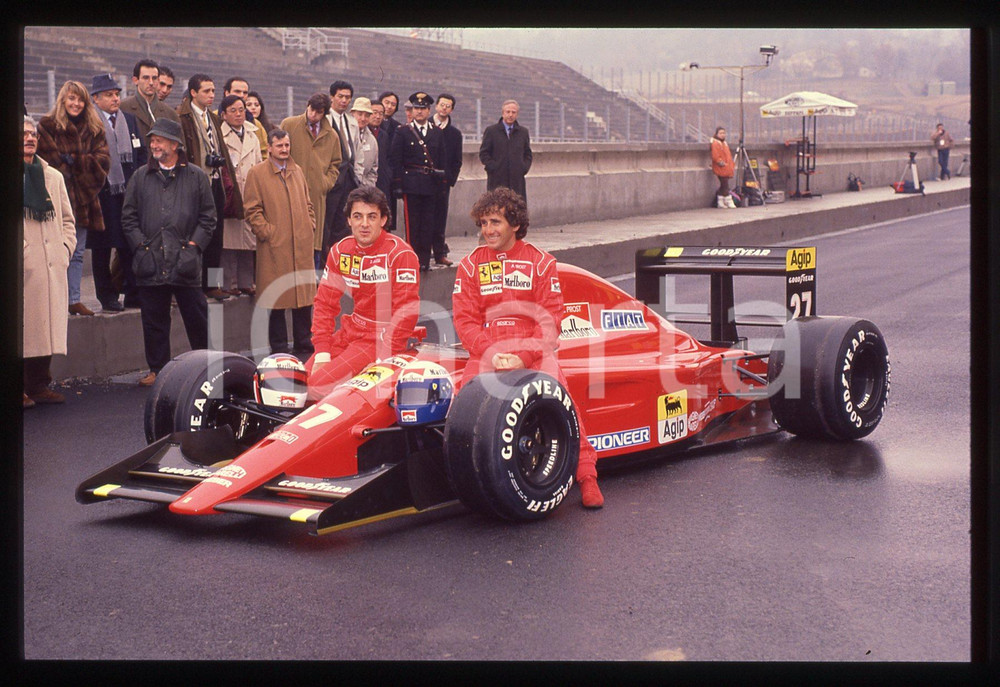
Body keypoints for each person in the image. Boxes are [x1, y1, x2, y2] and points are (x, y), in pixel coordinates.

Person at [451, 187, 603, 509]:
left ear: (515, 224)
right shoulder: (468, 266)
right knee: (464, 401)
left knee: (560, 394)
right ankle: (461, 479)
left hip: (531, 345)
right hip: (486, 347)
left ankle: (586, 475)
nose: (488, 230)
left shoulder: (541, 262)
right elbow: (464, 322)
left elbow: (549, 322)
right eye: (483, 223)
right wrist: (493, 353)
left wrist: (522, 356)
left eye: (495, 222)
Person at [121, 118, 216, 387]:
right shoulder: (140, 176)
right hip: (151, 260)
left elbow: (208, 218)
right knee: (153, 320)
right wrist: (141, 246)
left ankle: (205, 367)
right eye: (152, 140)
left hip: (185, 261)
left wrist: (194, 246)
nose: (154, 145)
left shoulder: (196, 176)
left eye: (159, 140)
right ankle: (157, 369)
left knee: (198, 319)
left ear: (175, 145)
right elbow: (128, 218)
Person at [307, 185, 420, 399]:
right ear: (349, 220)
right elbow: (324, 303)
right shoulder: (341, 250)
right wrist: (322, 349)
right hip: (350, 331)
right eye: (357, 216)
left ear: (384, 219)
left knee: (316, 387)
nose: (364, 224)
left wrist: (385, 358)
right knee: (297, 382)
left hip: (379, 340)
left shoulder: (400, 254)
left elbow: (406, 312)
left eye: (372, 217)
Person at [36, 79, 111, 317]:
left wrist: (76, 161)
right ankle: (54, 300)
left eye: (80, 99)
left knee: (77, 251)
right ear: (63, 100)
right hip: (55, 199)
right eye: (71, 98)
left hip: (84, 200)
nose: (76, 103)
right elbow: (49, 162)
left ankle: (74, 299)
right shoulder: (47, 125)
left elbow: (103, 162)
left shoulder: (95, 127)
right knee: (53, 252)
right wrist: (75, 165)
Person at [243, 129, 317, 360]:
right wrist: (268, 233)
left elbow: (308, 202)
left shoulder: (298, 171)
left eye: (287, 145)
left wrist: (309, 224)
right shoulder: (257, 173)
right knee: (276, 298)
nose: (284, 149)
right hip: (276, 245)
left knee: (303, 299)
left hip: (301, 243)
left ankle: (304, 344)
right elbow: (252, 210)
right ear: (270, 148)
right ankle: (280, 348)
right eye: (279, 146)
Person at [23, 116, 77, 407]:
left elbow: (68, 220)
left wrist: (65, 249)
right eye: (23, 134)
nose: (30, 138)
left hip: (52, 262)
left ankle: (39, 385)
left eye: (33, 134)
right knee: (23, 327)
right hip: (25, 264)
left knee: (45, 326)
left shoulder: (52, 176)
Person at [177, 73, 240, 300]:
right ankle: (193, 285)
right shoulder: (182, 117)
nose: (211, 95)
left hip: (215, 181)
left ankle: (212, 284)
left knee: (216, 235)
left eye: (213, 91)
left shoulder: (212, 118)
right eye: (206, 91)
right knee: (196, 234)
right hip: (195, 183)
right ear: (193, 93)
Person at [89, 73, 147, 312]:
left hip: (128, 192)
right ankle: (107, 296)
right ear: (96, 98)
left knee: (128, 243)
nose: (114, 99)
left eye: (116, 94)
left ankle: (133, 292)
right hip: (102, 193)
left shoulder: (130, 121)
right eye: (108, 95)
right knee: (102, 247)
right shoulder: (90, 122)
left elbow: (140, 152)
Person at [280, 92, 342, 271]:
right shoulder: (290, 125)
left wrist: (325, 183)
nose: (313, 115)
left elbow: (335, 163)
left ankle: (311, 289)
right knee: (289, 240)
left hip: (316, 194)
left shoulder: (331, 136)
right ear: (307, 106)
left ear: (325, 113)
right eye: (312, 109)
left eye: (319, 112)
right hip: (289, 190)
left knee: (314, 243)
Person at [389, 91, 447, 273]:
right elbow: (395, 159)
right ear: (411, 111)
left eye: (423, 109)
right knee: (412, 224)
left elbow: (441, 159)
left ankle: (424, 261)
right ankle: (411, 259)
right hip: (411, 184)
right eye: (416, 108)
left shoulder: (436, 133)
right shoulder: (403, 132)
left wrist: (442, 184)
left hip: (431, 185)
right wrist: (398, 184)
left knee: (428, 223)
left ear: (429, 110)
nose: (419, 112)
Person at [219, 94, 262, 296]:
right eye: (233, 110)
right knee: (228, 243)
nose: (238, 114)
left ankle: (246, 282)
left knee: (248, 241)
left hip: (250, 192)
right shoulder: (220, 136)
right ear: (224, 114)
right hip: (230, 193)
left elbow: (259, 164)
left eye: (241, 110)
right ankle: (227, 284)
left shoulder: (253, 135)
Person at [323, 80, 360, 254]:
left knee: (344, 224)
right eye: (340, 96)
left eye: (347, 97)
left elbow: (355, 151)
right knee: (327, 224)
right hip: (332, 180)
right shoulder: (325, 120)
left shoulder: (351, 122)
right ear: (332, 97)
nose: (344, 101)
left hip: (349, 179)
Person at [430, 92, 462, 267]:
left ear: (451, 110)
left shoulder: (455, 134)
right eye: (442, 104)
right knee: (423, 217)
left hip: (443, 183)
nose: (444, 108)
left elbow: (457, 160)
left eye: (448, 106)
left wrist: (450, 179)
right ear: (436, 106)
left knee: (440, 217)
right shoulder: (422, 125)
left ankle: (439, 253)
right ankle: (422, 251)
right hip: (424, 180)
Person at [479, 99, 532, 203]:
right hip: (497, 180)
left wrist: (523, 168)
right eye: (508, 112)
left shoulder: (523, 132)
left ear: (517, 114)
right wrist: (493, 167)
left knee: (516, 211)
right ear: (503, 113)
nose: (510, 115)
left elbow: (527, 154)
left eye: (513, 112)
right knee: (497, 209)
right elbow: (484, 153)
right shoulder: (491, 131)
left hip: (517, 180)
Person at [119, 59, 179, 148]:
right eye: (146, 78)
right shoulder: (122, 108)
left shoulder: (170, 114)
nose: (151, 83)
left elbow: (179, 148)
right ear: (136, 80)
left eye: (154, 78)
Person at [224, 77, 267, 157]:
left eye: (245, 93)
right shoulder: (215, 119)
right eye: (237, 91)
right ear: (227, 93)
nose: (241, 95)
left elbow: (264, 154)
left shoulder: (256, 125)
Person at [369, 100, 394, 226]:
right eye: (374, 113)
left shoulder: (384, 135)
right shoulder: (361, 132)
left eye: (381, 114)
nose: (378, 116)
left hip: (382, 182)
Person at [351, 97, 378, 188]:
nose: (363, 118)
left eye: (367, 115)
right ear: (352, 113)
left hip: (363, 189)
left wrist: (368, 185)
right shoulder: (344, 135)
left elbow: (374, 168)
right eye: (360, 114)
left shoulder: (372, 140)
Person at [710, 126, 735, 208]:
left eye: (724, 133)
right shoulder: (716, 143)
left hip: (725, 167)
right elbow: (715, 156)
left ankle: (720, 201)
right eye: (720, 133)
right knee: (725, 184)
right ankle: (728, 200)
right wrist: (722, 163)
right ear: (716, 134)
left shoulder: (724, 143)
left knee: (724, 185)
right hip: (721, 167)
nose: (723, 135)